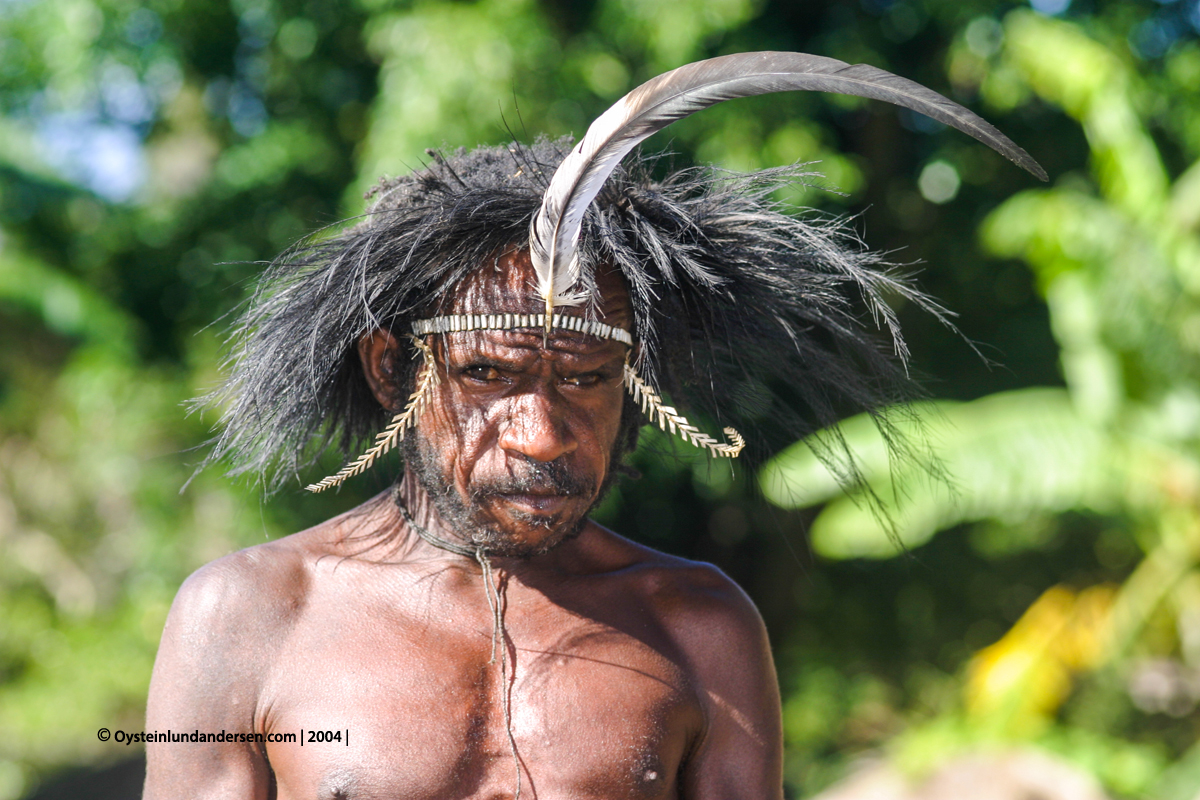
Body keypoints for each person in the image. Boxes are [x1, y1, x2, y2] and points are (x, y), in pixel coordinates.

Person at [143, 53, 1042, 799]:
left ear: (632, 384)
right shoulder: (249, 614)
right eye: (487, 374)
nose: (540, 432)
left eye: (583, 379)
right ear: (393, 370)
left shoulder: (699, 626)